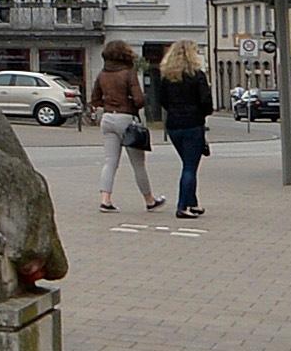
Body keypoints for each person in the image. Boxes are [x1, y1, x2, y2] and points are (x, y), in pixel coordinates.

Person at [92, 42, 164, 212]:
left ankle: (105, 199)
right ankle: (149, 200)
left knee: (110, 162)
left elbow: (95, 98)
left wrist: (109, 103)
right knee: (138, 164)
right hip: (126, 119)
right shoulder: (128, 73)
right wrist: (132, 102)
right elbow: (139, 100)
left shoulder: (102, 74)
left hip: (108, 117)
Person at [153, 40, 215, 220]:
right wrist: (203, 114)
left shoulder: (167, 77)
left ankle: (193, 202)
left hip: (173, 125)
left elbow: (162, 100)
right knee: (190, 167)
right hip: (193, 124)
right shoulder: (198, 76)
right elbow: (206, 102)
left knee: (188, 163)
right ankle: (182, 206)